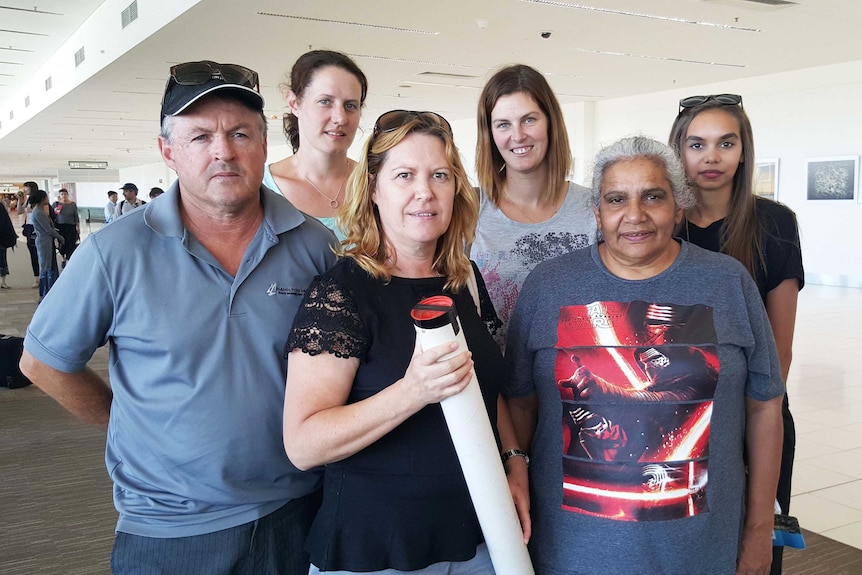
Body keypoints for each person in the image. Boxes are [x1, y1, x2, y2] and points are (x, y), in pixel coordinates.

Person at [20, 60, 338, 574]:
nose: (223, 150)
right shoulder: (114, 252)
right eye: (199, 136)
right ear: (168, 151)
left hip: (297, 511)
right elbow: (42, 362)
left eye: (240, 133)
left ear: (263, 144)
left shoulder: (313, 245)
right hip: (170, 530)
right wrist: (118, 419)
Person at [505, 136, 784, 575]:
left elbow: (766, 406)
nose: (634, 215)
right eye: (616, 199)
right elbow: (519, 404)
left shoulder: (728, 282)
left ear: (679, 206)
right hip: (572, 551)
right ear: (597, 212)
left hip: (699, 551)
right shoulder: (549, 285)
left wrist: (758, 531)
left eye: (653, 196)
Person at [282, 110, 529, 574]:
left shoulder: (464, 280)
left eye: (439, 175)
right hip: (376, 549)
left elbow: (482, 385)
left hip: (477, 535)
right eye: (404, 175)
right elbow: (304, 444)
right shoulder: (342, 293)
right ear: (373, 190)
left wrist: (513, 460)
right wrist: (413, 391)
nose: (425, 192)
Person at [669, 94, 803, 575]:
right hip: (675, 418)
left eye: (726, 143)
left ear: (744, 151)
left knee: (754, 550)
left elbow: (779, 349)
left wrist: (752, 427)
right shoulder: (660, 224)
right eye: (697, 144)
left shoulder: (774, 224)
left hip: (753, 416)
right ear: (678, 152)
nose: (711, 157)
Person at [471, 64, 596, 351]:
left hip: (575, 382)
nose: (517, 135)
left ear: (550, 122)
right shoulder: (469, 210)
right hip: (496, 385)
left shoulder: (593, 208)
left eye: (529, 120)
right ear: (490, 133)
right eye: (503, 124)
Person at [263, 50, 368, 240]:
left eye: (350, 105)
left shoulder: (376, 185)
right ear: (294, 103)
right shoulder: (260, 188)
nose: (340, 118)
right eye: (325, 102)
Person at [27, 189, 64, 300]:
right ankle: (45, 291)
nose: (48, 198)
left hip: (46, 241)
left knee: (49, 265)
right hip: (44, 242)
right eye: (46, 197)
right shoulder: (38, 212)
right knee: (46, 266)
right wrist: (60, 237)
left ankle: (50, 289)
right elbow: (48, 229)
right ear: (42, 198)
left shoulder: (40, 211)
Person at [52, 188, 80, 265]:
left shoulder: (72, 204)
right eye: (62, 194)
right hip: (60, 226)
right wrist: (55, 210)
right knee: (61, 242)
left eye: (65, 194)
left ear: (67, 195)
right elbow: (52, 215)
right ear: (59, 196)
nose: (64, 196)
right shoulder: (56, 204)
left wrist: (78, 226)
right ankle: (63, 257)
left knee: (70, 242)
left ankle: (68, 258)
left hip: (71, 226)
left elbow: (76, 216)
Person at [21, 182, 41, 288]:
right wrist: (20, 200)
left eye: (26, 187)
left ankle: (42, 275)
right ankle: (37, 277)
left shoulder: (38, 198)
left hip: (36, 226)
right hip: (29, 227)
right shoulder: (28, 199)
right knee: (33, 252)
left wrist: (29, 209)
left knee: (39, 251)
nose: (25, 189)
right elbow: (20, 211)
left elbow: (41, 212)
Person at [0, 200, 17, 288]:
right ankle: (3, 282)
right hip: (2, 237)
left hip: (1, 238)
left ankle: (3, 281)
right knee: (2, 259)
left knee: (2, 259)